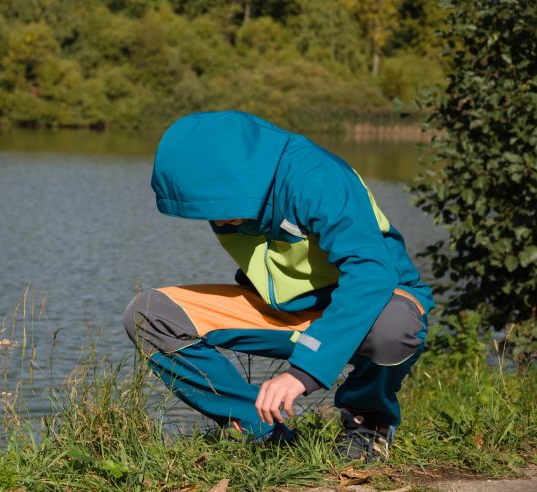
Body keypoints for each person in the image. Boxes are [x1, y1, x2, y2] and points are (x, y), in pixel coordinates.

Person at [122, 110, 433, 461]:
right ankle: (260, 429)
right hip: (289, 310)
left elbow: (371, 273)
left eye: (217, 206)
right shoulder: (232, 193)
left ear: (242, 174)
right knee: (150, 314)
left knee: (394, 328)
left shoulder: (317, 177)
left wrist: (303, 371)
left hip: (376, 302)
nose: (218, 220)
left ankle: (367, 424)